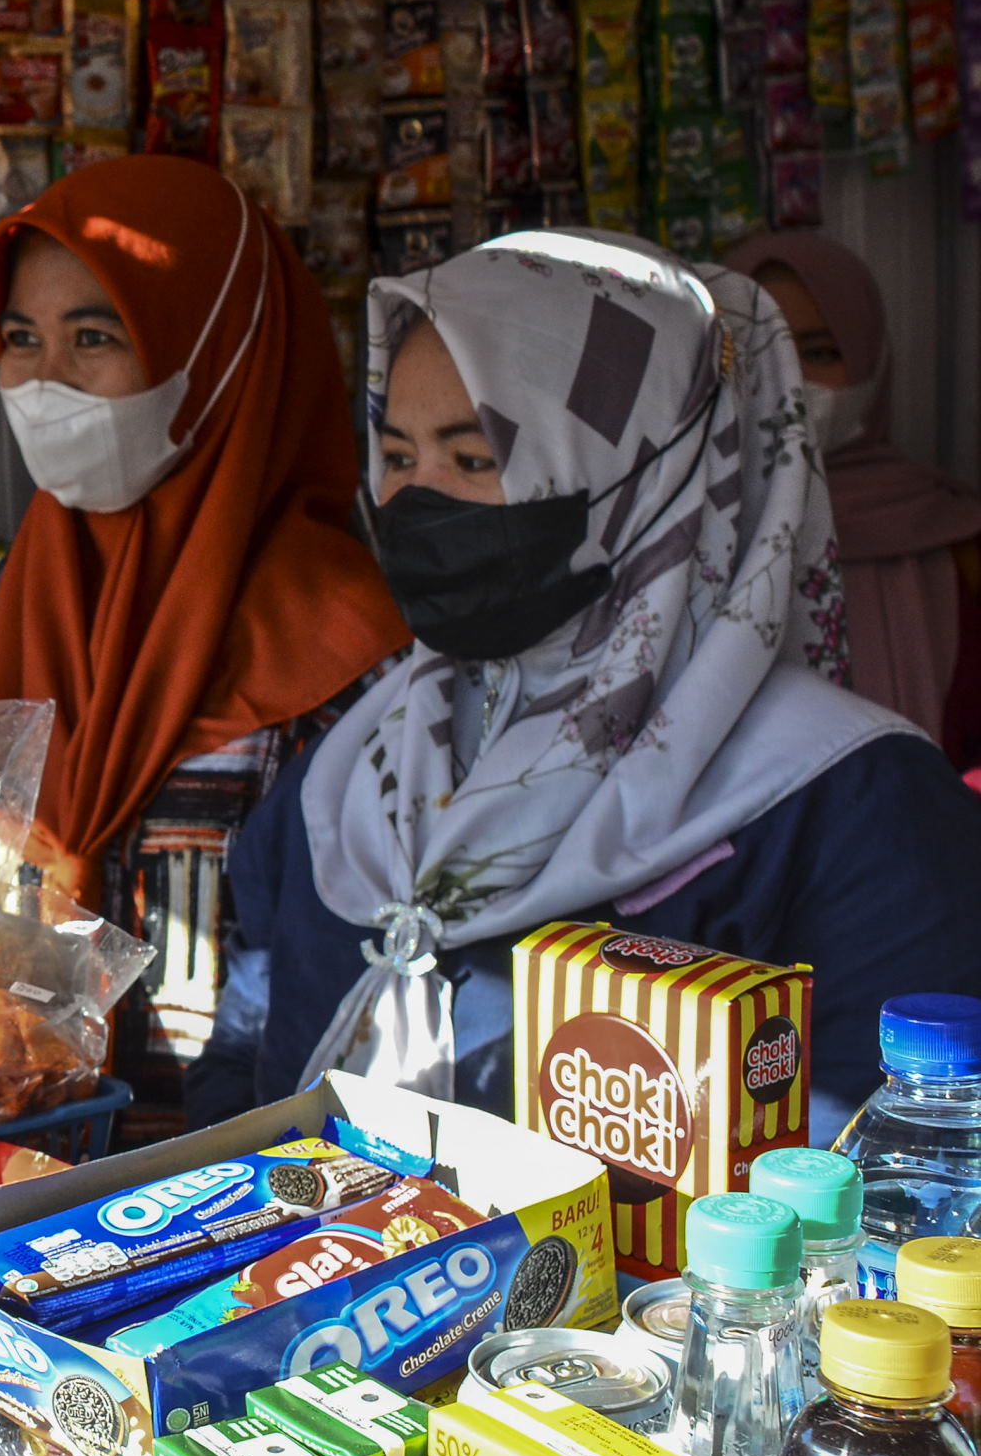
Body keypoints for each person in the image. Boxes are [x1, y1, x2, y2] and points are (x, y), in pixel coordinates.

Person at [193, 229, 981, 1141]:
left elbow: (899, 1157)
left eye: (475, 459)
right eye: (399, 457)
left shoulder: (850, 805)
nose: (415, 503)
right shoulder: (353, 774)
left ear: (646, 473)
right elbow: (239, 1064)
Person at [0, 155, 410, 1135]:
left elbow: (373, 986)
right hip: (6, 1167)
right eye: (21, 339)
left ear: (221, 352)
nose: (44, 381)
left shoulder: (353, 653)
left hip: (256, 1185)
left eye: (94, 336)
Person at [727, 232, 981, 765]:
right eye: (760, 353)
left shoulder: (959, 544)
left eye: (820, 352)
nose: (791, 380)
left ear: (871, 359)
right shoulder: (692, 544)